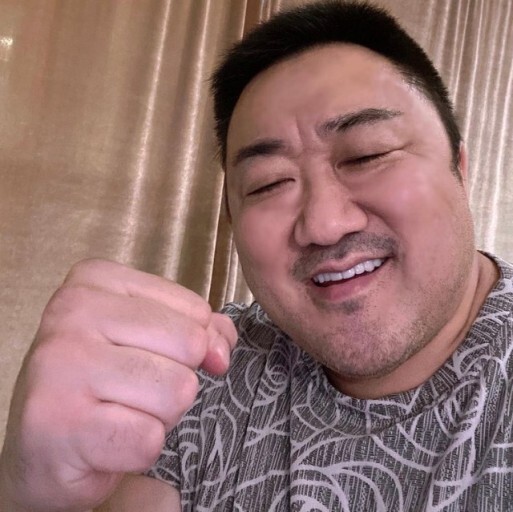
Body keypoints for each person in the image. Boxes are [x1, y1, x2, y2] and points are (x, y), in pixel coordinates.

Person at [1, 1, 512, 510]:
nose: (323, 224)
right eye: (268, 184)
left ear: (459, 167)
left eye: (367, 155)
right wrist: (31, 494)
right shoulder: (204, 372)